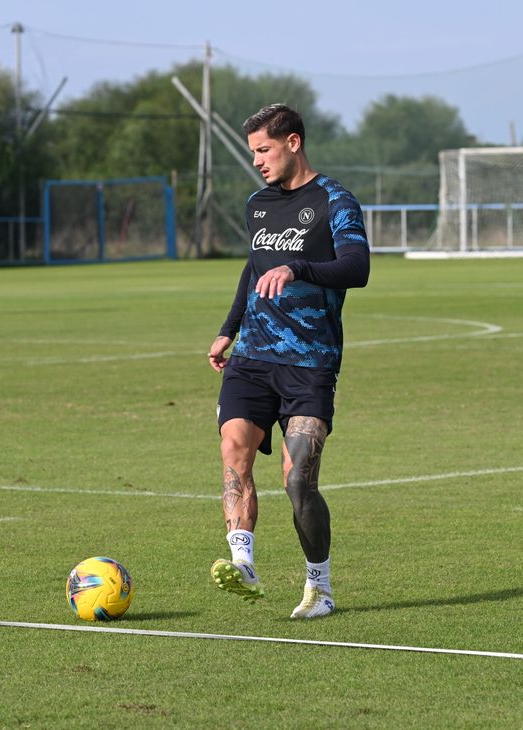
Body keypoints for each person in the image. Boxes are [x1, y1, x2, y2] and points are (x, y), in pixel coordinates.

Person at [208, 103, 370, 619]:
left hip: (310, 363)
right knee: (234, 446)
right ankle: (243, 561)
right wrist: (227, 329)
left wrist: (297, 267)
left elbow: (357, 267)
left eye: (264, 149)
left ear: (293, 142)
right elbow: (253, 269)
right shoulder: (258, 204)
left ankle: (319, 587)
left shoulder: (335, 200)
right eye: (252, 151)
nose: (256, 160)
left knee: (298, 478)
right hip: (252, 358)